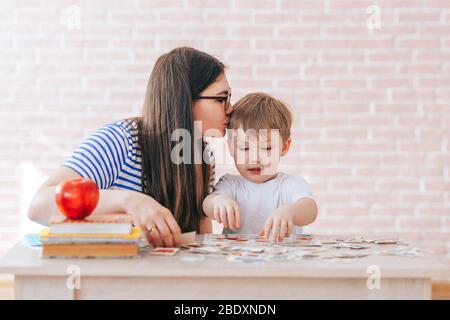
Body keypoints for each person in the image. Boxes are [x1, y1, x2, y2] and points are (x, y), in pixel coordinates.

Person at [28, 47, 233, 248]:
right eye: (221, 99)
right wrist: (130, 201)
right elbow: (39, 205)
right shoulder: (121, 139)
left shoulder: (201, 155)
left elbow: (201, 242)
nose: (230, 108)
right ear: (185, 100)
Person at [203, 93, 318, 241]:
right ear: (231, 148)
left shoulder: (291, 184)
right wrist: (218, 202)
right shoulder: (231, 184)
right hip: (238, 260)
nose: (254, 158)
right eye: (244, 148)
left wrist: (290, 212)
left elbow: (310, 209)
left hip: (282, 260)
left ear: (284, 147)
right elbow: (207, 204)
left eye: (267, 148)